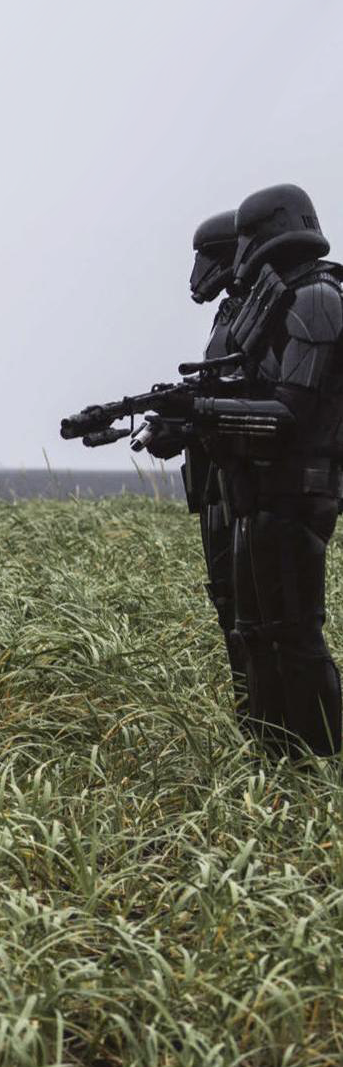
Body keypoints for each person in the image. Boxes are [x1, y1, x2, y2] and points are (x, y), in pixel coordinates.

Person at [224, 184, 343, 754]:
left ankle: (320, 762)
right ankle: (274, 759)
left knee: (295, 638)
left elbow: (291, 410)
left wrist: (203, 413)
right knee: (259, 635)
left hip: (300, 490)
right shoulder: (287, 298)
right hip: (268, 492)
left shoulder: (318, 296)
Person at [181, 211, 249, 716]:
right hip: (216, 481)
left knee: (262, 616)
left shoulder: (259, 310)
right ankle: (254, 715)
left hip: (245, 479)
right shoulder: (231, 312)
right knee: (229, 604)